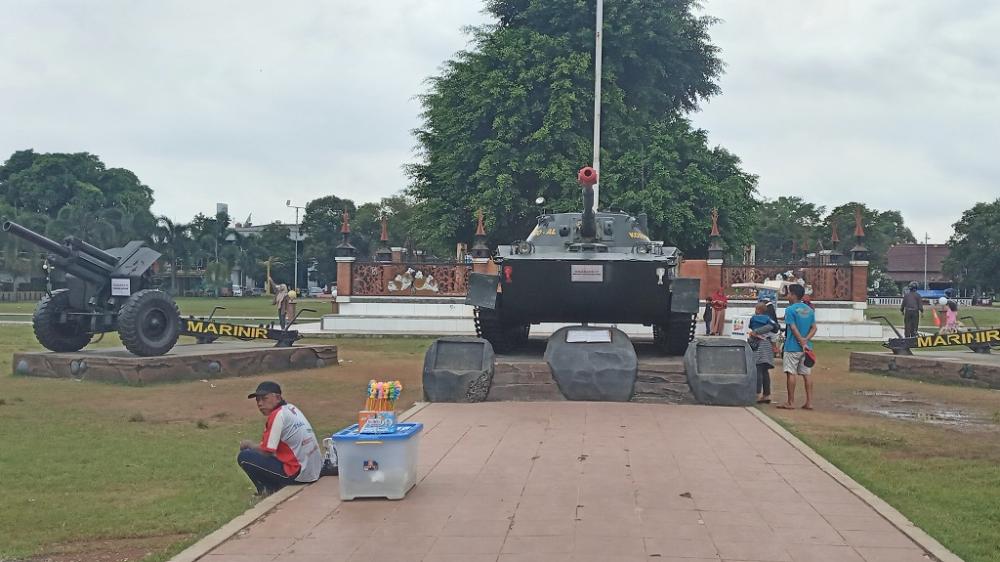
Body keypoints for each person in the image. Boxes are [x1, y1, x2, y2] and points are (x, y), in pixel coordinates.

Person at [238, 381, 323, 495]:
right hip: (315, 469)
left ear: (277, 397)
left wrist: (249, 445)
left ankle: (267, 490)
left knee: (245, 456)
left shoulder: (277, 415)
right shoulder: (291, 409)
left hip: (299, 473)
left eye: (264, 398)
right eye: (257, 400)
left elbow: (267, 451)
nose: (260, 403)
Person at [778, 284, 817, 410]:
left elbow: (793, 328)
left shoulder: (790, 310)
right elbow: (814, 328)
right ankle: (810, 402)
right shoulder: (809, 310)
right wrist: (806, 340)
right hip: (807, 349)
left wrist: (801, 341)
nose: (787, 296)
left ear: (793, 295)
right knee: (806, 374)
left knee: (791, 373)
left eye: (788, 293)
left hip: (792, 346)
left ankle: (790, 402)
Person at [748, 302, 780, 404]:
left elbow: (750, 326)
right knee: (765, 371)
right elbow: (774, 327)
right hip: (767, 344)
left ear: (757, 310)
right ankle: (767, 394)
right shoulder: (769, 319)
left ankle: (757, 393)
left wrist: (757, 331)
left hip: (758, 344)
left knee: (758, 369)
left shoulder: (754, 319)